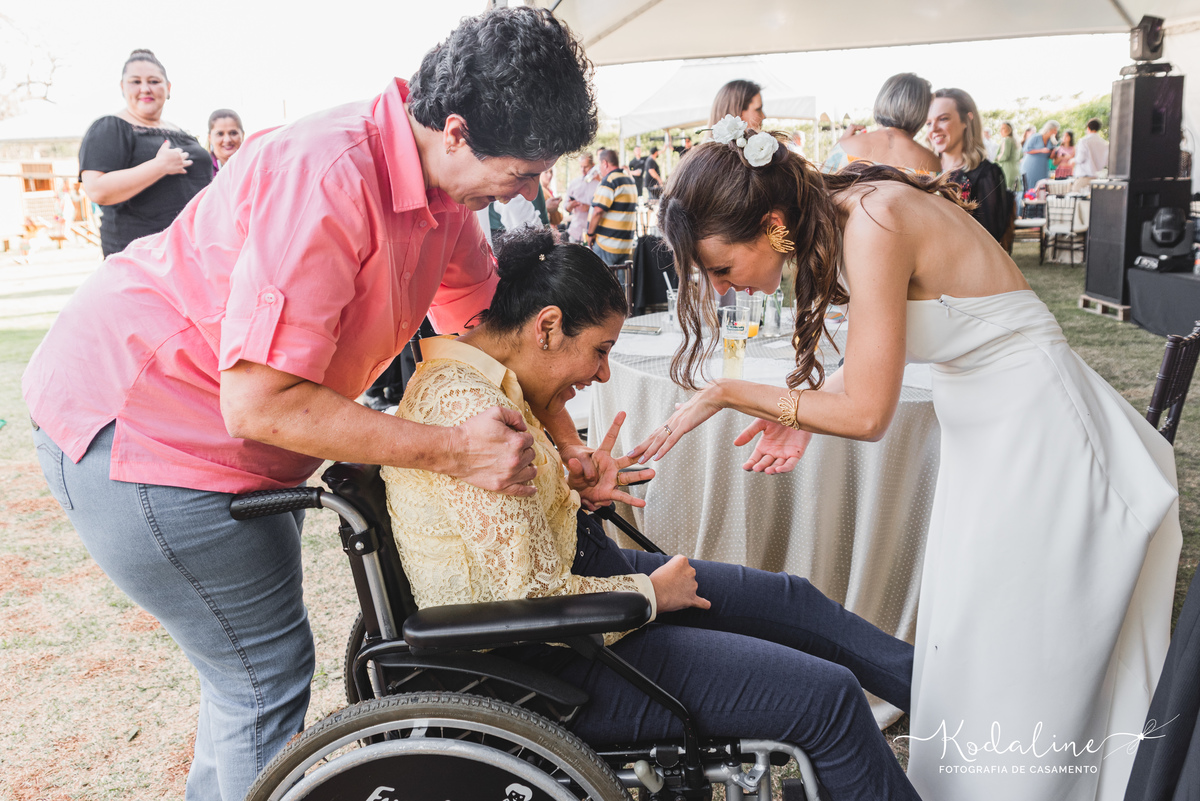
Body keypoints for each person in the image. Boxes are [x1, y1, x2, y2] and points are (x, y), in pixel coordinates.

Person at [23, 9, 603, 799]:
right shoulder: (329, 175)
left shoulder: (444, 196)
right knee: (262, 677)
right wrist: (452, 448)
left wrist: (564, 446)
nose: (529, 193)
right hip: (138, 424)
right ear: (458, 130)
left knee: (241, 685)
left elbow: (492, 340)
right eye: (523, 172)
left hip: (220, 426)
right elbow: (257, 405)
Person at [632, 127, 1180, 801]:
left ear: (771, 225)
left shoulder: (874, 220)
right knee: (976, 634)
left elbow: (868, 413)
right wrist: (801, 414)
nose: (721, 288)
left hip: (1040, 432)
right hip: (986, 434)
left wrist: (725, 392)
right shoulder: (845, 220)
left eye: (721, 268)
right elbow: (864, 374)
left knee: (1027, 641)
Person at [381, 226, 921, 801]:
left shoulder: (481, 381)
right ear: (547, 326)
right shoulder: (472, 410)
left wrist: (568, 484)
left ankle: (963, 703)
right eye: (601, 350)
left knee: (794, 600)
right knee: (826, 698)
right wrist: (648, 594)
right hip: (556, 657)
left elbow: (494, 531)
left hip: (586, 600)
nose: (604, 374)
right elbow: (526, 595)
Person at [79, 49, 212, 256]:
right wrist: (159, 166)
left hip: (194, 252)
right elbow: (97, 190)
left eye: (154, 81)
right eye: (135, 82)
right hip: (143, 258)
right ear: (123, 88)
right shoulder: (111, 128)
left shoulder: (181, 132)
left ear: (168, 88)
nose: (145, 88)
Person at [927, 88, 1011, 243]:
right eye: (929, 123)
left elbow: (989, 237)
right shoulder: (923, 170)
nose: (933, 129)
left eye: (943, 119)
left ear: (966, 120)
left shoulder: (987, 174)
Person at [821, 72, 941, 175]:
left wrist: (840, 144)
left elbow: (819, 189)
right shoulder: (932, 163)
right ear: (921, 112)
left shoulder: (845, 148)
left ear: (883, 100)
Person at [586, 148, 637, 265]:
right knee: (620, 283)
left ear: (605, 163)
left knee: (602, 281)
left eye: (600, 164)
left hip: (608, 244)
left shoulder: (609, 181)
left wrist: (590, 234)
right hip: (625, 245)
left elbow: (597, 211)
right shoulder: (629, 180)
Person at [564, 152, 599, 243]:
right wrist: (570, 206)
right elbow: (565, 206)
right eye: (581, 167)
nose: (583, 170)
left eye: (586, 167)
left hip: (594, 234)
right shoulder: (574, 183)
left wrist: (589, 208)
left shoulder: (599, 185)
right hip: (575, 232)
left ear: (593, 166)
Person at [1072, 117, 1109, 192]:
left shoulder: (1084, 141)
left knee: (1077, 201)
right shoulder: (1104, 143)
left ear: (1088, 128)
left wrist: (1072, 160)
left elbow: (1080, 159)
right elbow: (1106, 161)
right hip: (1097, 179)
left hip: (1083, 178)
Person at [1021, 119, 1059, 190]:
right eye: (1054, 130)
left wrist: (1054, 152)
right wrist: (1041, 150)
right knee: (1029, 188)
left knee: (1042, 188)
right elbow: (1026, 150)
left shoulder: (1051, 141)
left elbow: (1050, 157)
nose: (1056, 132)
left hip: (1043, 169)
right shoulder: (1035, 137)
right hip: (1031, 167)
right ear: (1049, 129)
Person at [206, 108, 244, 173]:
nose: (227, 140)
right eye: (220, 134)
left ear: (242, 135)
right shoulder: (201, 167)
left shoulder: (254, 165)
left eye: (233, 133)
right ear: (210, 138)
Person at [994, 120, 1021, 190]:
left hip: (1007, 169)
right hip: (1015, 169)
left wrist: (996, 158)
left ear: (1009, 129)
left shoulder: (1007, 140)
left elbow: (1005, 156)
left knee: (1007, 191)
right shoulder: (1015, 140)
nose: (1001, 131)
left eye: (1003, 128)